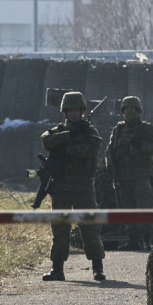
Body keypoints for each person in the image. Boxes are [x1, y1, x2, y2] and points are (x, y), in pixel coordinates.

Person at [39, 91, 106, 282]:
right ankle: (57, 269)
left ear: (82, 111)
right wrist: (68, 136)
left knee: (89, 227)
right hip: (60, 187)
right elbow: (46, 140)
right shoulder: (59, 131)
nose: (74, 113)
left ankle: (97, 268)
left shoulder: (89, 131)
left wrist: (69, 148)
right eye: (70, 110)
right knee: (60, 228)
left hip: (83, 186)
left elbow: (93, 148)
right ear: (65, 112)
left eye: (77, 110)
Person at [106, 95, 153, 250]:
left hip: (141, 175)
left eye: (133, 109)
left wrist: (142, 145)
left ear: (138, 111)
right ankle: (133, 239)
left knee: (144, 206)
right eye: (126, 109)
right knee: (127, 207)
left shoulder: (146, 129)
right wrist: (111, 168)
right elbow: (110, 151)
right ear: (122, 111)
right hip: (123, 176)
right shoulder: (118, 130)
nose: (129, 112)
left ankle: (147, 240)